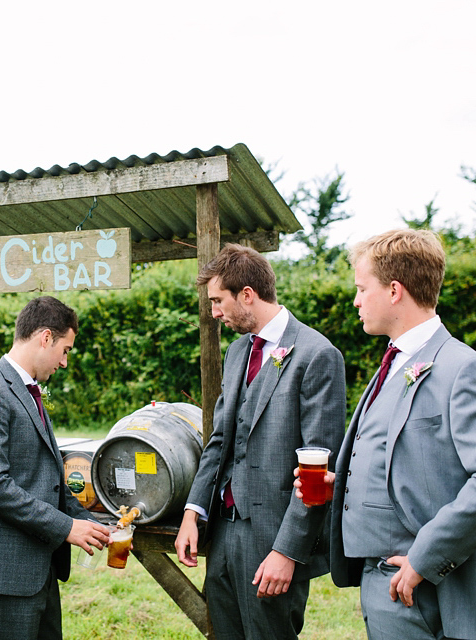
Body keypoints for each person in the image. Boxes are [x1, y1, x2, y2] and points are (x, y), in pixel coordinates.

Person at [321, 229, 476, 639]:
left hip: (433, 593)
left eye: (362, 289)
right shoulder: (396, 361)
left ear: (394, 291)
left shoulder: (464, 369)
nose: (356, 300)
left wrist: (424, 558)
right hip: (382, 586)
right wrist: (344, 487)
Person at [174, 243, 347, 640]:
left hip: (274, 536)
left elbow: (319, 470)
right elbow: (219, 440)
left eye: (218, 301)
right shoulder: (237, 353)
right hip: (223, 532)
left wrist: (287, 551)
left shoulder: (317, 355)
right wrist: (192, 512)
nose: (214, 312)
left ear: (247, 295)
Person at [0, 296, 111, 640]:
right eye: (65, 350)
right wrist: (66, 527)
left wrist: (91, 522)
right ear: (45, 337)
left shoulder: (29, 392)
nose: (65, 362)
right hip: (3, 571)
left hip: (39, 567)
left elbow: (48, 477)